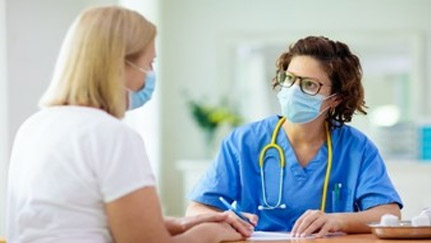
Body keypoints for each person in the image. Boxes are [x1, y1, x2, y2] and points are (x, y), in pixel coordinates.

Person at [6, 6, 244, 243]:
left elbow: (74, 219)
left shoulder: (33, 127)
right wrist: (210, 233)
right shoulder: (111, 135)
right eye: (149, 63)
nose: (150, 75)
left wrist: (180, 224)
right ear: (118, 65)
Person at [186, 36, 403, 238]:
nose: (293, 90)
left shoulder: (356, 148)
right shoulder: (244, 142)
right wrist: (224, 219)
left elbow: (389, 214)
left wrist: (338, 220)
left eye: (309, 84)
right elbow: (197, 209)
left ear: (335, 99)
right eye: (289, 78)